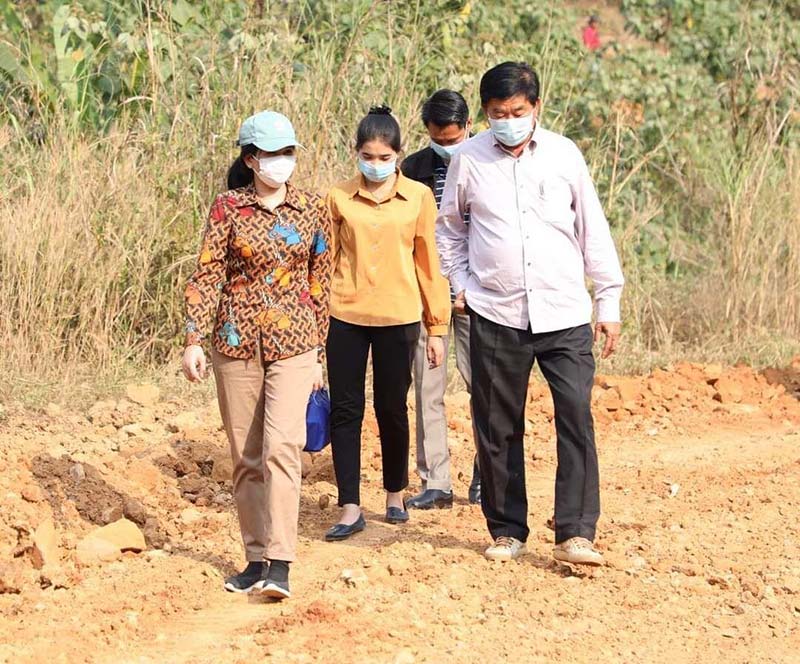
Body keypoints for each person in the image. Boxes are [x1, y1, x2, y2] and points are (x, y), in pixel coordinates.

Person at [436, 62, 624, 565]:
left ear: (536, 107)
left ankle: (575, 533)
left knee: (575, 416)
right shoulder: (469, 159)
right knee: (497, 423)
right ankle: (506, 530)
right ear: (485, 113)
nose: (508, 121)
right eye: (498, 113)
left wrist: (608, 300)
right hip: (495, 311)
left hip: (563, 312)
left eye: (517, 111)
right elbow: (449, 229)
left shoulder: (564, 155)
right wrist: (462, 285)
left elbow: (592, 229)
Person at [181, 111, 332, 598]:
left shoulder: (312, 208)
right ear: (250, 159)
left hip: (295, 343)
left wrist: (319, 352)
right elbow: (207, 274)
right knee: (246, 457)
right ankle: (255, 557)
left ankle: (281, 563)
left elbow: (320, 281)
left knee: (282, 448)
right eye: (272, 154)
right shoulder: (227, 208)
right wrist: (193, 339)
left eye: (288, 152)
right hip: (236, 342)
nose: (282, 161)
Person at [324, 106, 451, 541]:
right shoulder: (338, 197)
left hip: (399, 316)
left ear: (398, 154)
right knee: (346, 410)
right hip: (345, 314)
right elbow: (325, 260)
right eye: (367, 156)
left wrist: (437, 327)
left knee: (392, 407)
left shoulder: (418, 197)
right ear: (356, 154)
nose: (375, 164)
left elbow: (429, 264)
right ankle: (349, 505)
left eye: (383, 157)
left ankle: (395, 493)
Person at [401, 89, 481, 509]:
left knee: (484, 387)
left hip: (479, 295)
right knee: (426, 388)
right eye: (438, 140)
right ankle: (436, 481)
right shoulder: (413, 169)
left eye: (453, 139)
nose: (446, 147)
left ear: (469, 126)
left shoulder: (489, 161)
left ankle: (488, 474)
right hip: (427, 296)